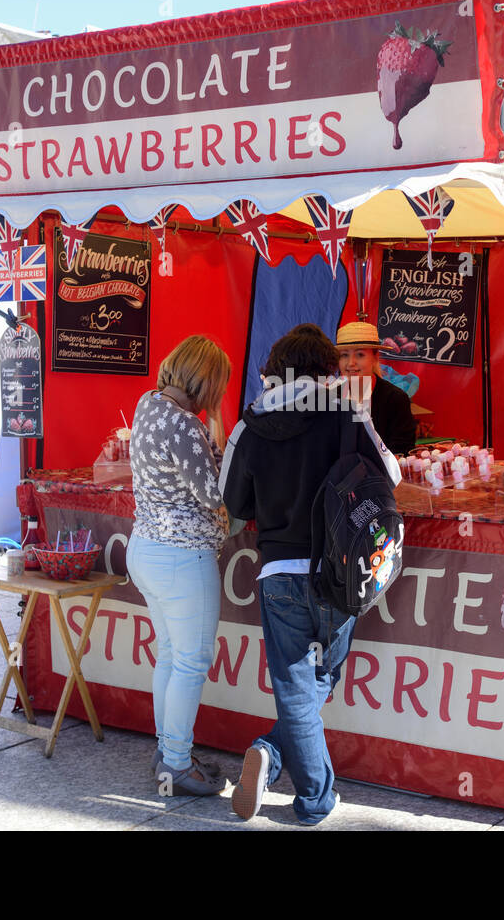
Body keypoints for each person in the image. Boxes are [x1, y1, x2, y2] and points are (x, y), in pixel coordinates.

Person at [219, 328, 401, 824]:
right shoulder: (347, 412)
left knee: (298, 685)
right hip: (339, 572)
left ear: (274, 370)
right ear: (326, 369)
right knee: (321, 679)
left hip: (278, 573)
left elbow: (232, 501)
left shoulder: (249, 425)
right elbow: (391, 475)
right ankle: (313, 797)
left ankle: (271, 754)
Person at [126, 334, 231, 797]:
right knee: (190, 662)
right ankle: (176, 763)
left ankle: (168, 751)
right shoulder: (186, 425)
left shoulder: (148, 404)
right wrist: (222, 438)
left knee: (170, 655)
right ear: (207, 381)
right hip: (182, 556)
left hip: (146, 547)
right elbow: (214, 495)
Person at [335, 320, 418, 455]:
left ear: (375, 357)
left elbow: (402, 451)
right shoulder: (331, 398)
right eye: (344, 355)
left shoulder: (395, 399)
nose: (351, 363)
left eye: (360, 355)